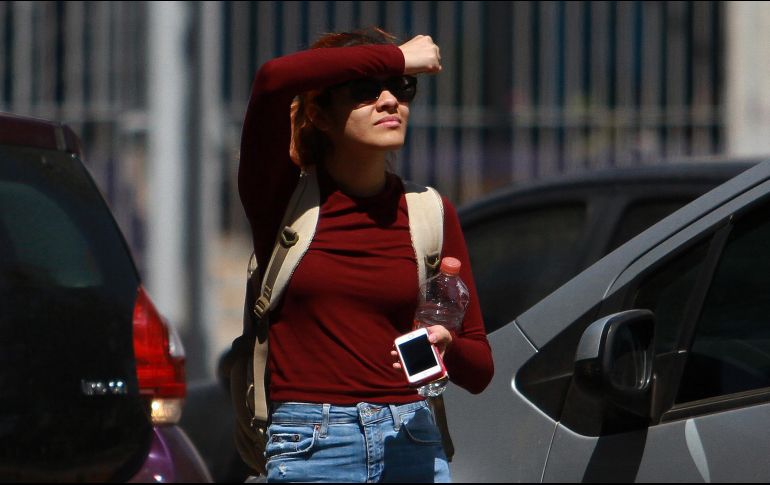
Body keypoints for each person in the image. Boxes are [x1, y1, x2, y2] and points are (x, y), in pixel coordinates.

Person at [238, 26, 494, 483]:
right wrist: (398, 58)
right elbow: (273, 80)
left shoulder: (431, 213)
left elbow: (480, 370)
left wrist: (447, 345)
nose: (390, 101)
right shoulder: (282, 203)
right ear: (319, 114)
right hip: (312, 445)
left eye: (401, 88)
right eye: (364, 91)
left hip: (413, 439)